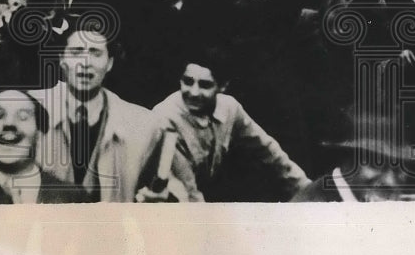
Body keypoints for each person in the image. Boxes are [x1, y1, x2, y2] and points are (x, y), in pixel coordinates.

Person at [31, 22, 203, 202]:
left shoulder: (144, 124)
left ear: (110, 63)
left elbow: (175, 190)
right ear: (62, 59)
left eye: (95, 53)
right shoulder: (30, 110)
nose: (85, 63)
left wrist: (160, 198)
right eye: (76, 52)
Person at [153, 48, 310, 202]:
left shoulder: (229, 107)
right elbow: (187, 191)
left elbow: (268, 151)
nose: (193, 92)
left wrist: (307, 190)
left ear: (222, 87)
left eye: (205, 85)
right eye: (187, 82)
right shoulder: (165, 118)